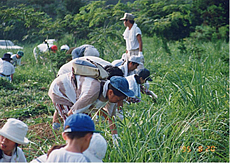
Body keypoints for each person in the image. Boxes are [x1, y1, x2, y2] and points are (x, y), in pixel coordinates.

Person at [48, 74, 134, 144]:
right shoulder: (92, 93)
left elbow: (111, 118)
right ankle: (67, 148)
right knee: (75, 126)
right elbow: (71, 115)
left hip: (77, 94)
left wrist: (116, 141)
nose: (118, 102)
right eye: (118, 99)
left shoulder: (111, 95)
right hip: (60, 90)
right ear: (111, 92)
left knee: (85, 122)